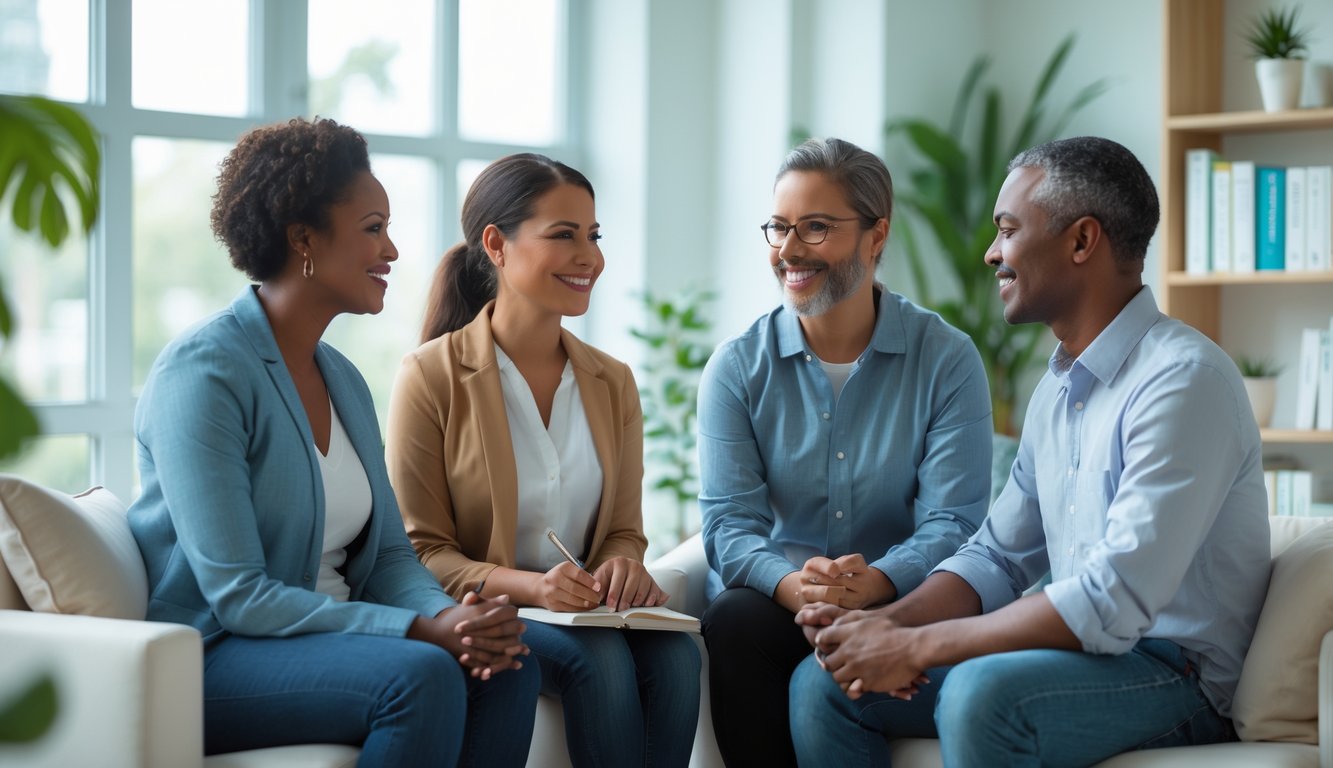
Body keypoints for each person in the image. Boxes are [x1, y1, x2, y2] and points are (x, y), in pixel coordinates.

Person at [791, 136, 1272, 767]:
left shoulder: (1184, 381)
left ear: (1081, 241)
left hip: (1174, 677)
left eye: (1008, 230)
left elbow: (1112, 598)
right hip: (1078, 657)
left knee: (981, 693)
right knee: (824, 684)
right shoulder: (1057, 391)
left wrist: (922, 647)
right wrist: (888, 626)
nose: (992, 253)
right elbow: (996, 557)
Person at [128, 117, 540, 767]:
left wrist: (452, 619)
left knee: (507, 666)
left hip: (332, 640)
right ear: (303, 241)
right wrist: (420, 629)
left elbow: (387, 560)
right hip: (214, 656)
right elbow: (240, 595)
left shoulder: (342, 378)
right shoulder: (202, 375)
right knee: (420, 675)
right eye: (373, 228)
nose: (394, 251)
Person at [385, 152, 701, 768]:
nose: (591, 257)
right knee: (602, 663)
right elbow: (423, 553)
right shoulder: (431, 376)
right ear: (496, 245)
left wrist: (620, 567)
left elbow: (623, 530)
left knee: (680, 659)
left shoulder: (613, 382)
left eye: (593, 235)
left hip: (589, 615)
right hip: (493, 612)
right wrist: (536, 588)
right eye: (564, 235)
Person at [697, 137, 994, 767]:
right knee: (733, 619)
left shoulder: (946, 358)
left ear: (875, 235)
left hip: (904, 601)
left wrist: (878, 583)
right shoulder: (736, 367)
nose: (788, 250)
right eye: (778, 228)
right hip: (781, 607)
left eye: (816, 228)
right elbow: (728, 524)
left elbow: (955, 521)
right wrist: (794, 588)